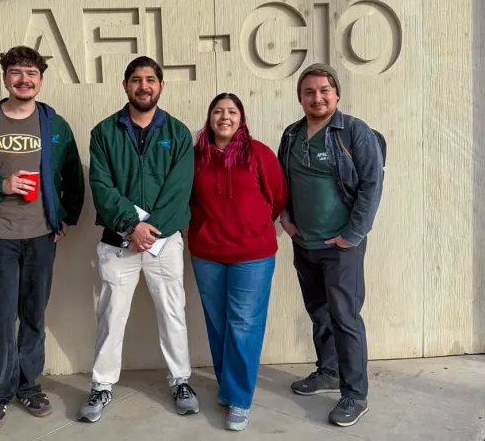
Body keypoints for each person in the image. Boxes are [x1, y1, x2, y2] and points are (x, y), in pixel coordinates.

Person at [0, 46, 85, 432]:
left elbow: (72, 173)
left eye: (31, 73)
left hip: (41, 236)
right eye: (16, 72)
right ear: (5, 77)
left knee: (34, 315)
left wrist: (66, 218)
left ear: (41, 79)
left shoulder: (53, 123)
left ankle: (30, 386)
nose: (24, 79)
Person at [79, 56, 198, 423]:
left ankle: (181, 381)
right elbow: (101, 186)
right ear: (125, 85)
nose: (143, 85)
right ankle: (101, 386)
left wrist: (149, 232)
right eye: (135, 79)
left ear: (161, 86)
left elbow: (179, 191)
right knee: (112, 315)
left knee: (173, 313)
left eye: (150, 79)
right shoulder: (103, 132)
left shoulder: (177, 133)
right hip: (119, 242)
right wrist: (132, 227)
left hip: (164, 242)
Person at [277, 63, 384, 427]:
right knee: (319, 311)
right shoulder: (291, 135)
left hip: (342, 246)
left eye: (324, 90)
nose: (317, 97)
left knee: (345, 318)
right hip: (304, 243)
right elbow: (282, 182)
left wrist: (352, 235)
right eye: (309, 92)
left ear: (336, 94)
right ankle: (328, 371)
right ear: (301, 98)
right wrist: (287, 221)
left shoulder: (354, 131)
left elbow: (371, 186)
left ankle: (355, 394)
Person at [188, 93, 287, 431]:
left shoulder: (258, 153)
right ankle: (228, 388)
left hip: (252, 255)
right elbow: (186, 199)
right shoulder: (196, 156)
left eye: (231, 111)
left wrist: (252, 226)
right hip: (208, 254)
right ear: (209, 117)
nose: (224, 117)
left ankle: (240, 399)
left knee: (244, 323)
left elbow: (277, 197)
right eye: (218, 111)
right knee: (218, 323)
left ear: (241, 118)